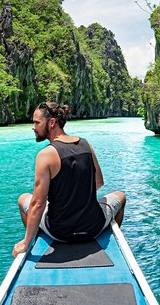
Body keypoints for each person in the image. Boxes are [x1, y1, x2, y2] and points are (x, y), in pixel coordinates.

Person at [13, 102, 126, 257]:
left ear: (51, 123)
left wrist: (24, 243)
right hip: (93, 227)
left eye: (37, 122)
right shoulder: (86, 144)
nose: (33, 127)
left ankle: (33, 238)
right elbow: (98, 182)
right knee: (121, 196)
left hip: (59, 232)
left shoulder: (45, 155)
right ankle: (109, 238)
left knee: (23, 199)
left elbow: (38, 203)